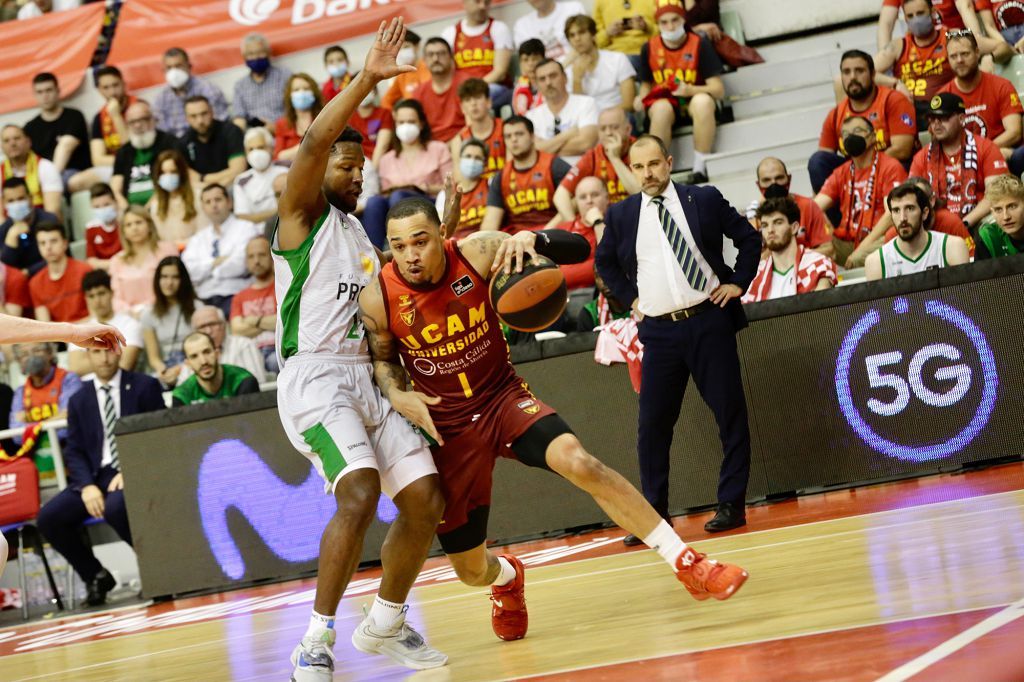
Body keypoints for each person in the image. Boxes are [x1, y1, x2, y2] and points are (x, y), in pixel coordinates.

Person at [360, 194, 749, 643]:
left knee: (580, 461)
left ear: (441, 236)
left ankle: (689, 563)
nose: (410, 254)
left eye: (420, 242)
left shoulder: (479, 252)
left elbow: (582, 252)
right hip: (447, 427)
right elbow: (384, 359)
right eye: (399, 245)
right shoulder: (379, 298)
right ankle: (507, 579)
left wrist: (534, 237)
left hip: (501, 397)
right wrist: (395, 391)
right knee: (470, 571)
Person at [273, 18, 452, 677]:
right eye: (348, 167)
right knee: (359, 495)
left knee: (427, 500)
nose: (357, 177)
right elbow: (318, 137)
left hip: (367, 378)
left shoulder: (356, 236)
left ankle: (384, 622)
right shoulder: (300, 214)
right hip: (315, 380)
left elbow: (388, 302)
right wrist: (368, 78)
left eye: (361, 169)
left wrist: (445, 230)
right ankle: (315, 642)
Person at [594, 134, 762, 538]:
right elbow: (604, 264)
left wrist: (738, 282)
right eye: (639, 167)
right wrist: (631, 298)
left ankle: (731, 503)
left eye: (654, 164)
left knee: (729, 414)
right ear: (631, 171)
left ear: (669, 163)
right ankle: (654, 517)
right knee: (652, 427)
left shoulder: (702, 199)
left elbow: (749, 238)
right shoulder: (621, 216)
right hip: (659, 333)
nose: (648, 173)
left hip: (709, 320)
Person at [35, 347, 164, 606]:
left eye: (108, 352)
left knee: (116, 508)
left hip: (132, 470)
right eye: (96, 352)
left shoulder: (144, 386)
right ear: (88, 357)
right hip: (94, 475)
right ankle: (95, 576)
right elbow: (75, 450)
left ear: (118, 353)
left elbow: (157, 433)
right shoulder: (79, 399)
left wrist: (131, 468)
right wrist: (87, 486)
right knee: (49, 518)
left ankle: (158, 571)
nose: (104, 358)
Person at [873, 1, 1009, 124]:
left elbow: (1003, 47)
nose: (916, 20)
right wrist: (895, 83)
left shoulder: (953, 36)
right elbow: (868, 72)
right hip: (913, 113)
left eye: (920, 13)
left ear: (933, 13)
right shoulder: (898, 46)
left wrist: (989, 57)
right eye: (910, 16)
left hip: (948, 110)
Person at [635, 0, 725, 182]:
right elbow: (645, 85)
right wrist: (640, 98)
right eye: (664, 22)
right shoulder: (648, 48)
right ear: (657, 24)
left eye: (675, 20)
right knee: (661, 108)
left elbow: (718, 90)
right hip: (664, 104)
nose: (670, 26)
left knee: (703, 101)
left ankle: (700, 166)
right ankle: (658, 172)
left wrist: (690, 89)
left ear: (684, 18)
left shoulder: (699, 43)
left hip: (691, 102)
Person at [809, 50, 916, 195]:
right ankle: (837, 217)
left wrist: (863, 169)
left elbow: (902, 150)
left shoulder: (893, 100)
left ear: (872, 75)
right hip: (852, 175)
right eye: (846, 72)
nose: (852, 77)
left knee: (900, 165)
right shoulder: (835, 114)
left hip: (888, 170)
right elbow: (822, 160)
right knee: (818, 161)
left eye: (859, 71)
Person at [815, 116, 908, 267]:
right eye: (845, 134)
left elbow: (892, 214)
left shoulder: (890, 166)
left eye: (857, 131)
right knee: (809, 248)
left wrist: (863, 248)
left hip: (880, 238)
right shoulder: (842, 171)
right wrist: (825, 225)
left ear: (872, 137)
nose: (850, 137)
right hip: (847, 241)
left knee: (859, 258)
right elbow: (813, 207)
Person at [909, 92, 1008, 230]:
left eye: (943, 118)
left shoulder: (986, 148)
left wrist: (963, 224)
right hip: (935, 227)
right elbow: (911, 198)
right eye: (932, 119)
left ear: (961, 118)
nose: (936, 124)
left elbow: (996, 194)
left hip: (976, 223)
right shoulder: (922, 156)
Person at [363, 99, 453, 248]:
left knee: (399, 197)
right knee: (374, 202)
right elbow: (384, 192)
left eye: (411, 121)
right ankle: (373, 256)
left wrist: (426, 188)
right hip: (393, 206)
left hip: (429, 204)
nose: (406, 126)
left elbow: (451, 187)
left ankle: (407, 246)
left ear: (421, 124)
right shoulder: (387, 159)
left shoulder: (438, 149)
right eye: (401, 122)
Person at [939, 30, 1024, 174]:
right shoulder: (942, 97)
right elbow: (942, 143)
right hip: (963, 164)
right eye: (953, 56)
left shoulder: (1001, 85)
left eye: (965, 54)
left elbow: (1014, 133)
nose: (959, 60)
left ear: (977, 53)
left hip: (1004, 155)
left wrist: (985, 152)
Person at [480, 115, 571, 232]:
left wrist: (545, 231)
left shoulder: (554, 165)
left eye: (519, 134)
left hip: (553, 235)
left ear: (532, 137)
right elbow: (490, 222)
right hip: (515, 241)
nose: (513, 140)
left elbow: (574, 203)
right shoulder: (500, 177)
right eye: (508, 136)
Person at [181, 184, 260, 316]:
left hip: (235, 294)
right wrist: (215, 263)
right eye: (208, 202)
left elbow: (241, 265)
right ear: (203, 208)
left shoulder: (246, 228)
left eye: (218, 200)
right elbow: (188, 272)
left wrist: (206, 270)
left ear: (229, 203)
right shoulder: (198, 239)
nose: (214, 205)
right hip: (202, 299)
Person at [865, 182, 971, 279]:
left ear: (925, 213)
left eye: (910, 208)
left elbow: (964, 296)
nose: (902, 218)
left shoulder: (953, 247)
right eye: (896, 210)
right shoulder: (876, 262)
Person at [742, 197, 837, 303]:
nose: (770, 230)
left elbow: (819, 311)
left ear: (794, 228)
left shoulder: (819, 264)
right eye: (765, 225)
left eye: (778, 222)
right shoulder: (755, 276)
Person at [555, 106, 640, 220]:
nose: (608, 133)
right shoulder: (593, 155)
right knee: (575, 202)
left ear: (628, 129)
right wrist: (574, 226)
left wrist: (614, 158)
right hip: (602, 219)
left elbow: (641, 194)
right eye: (603, 129)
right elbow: (560, 195)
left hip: (635, 216)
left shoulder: (640, 149)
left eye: (614, 127)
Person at [746, 157, 834, 258]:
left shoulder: (808, 205)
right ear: (758, 184)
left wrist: (794, 258)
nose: (773, 184)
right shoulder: (754, 214)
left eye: (779, 178)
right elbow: (751, 261)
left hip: (806, 270)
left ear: (788, 178)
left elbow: (829, 251)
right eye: (767, 180)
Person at [67, 270, 144, 375]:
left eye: (101, 293)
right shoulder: (80, 329)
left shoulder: (130, 324)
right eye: (91, 296)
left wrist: (90, 359)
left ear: (112, 293)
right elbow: (75, 368)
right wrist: (113, 357)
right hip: (88, 387)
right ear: (86, 299)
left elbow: (125, 364)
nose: (97, 300)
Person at [111, 101, 184, 209]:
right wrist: (125, 207)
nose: (137, 125)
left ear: (152, 120)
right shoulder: (124, 151)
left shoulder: (170, 143)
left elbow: (177, 178)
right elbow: (116, 184)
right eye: (132, 122)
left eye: (142, 119)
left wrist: (148, 208)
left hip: (163, 203)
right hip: (132, 211)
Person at [23, 72, 91, 188]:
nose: (45, 96)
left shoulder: (74, 116)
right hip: (43, 178)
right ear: (35, 95)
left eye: (49, 90)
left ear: (58, 91)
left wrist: (50, 182)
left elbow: (66, 147)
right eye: (40, 92)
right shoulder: (30, 127)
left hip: (74, 173)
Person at [442, 0, 514, 108]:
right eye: (478, 1)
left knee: (476, 101)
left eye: (487, 2)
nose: (482, 6)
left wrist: (473, 90)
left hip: (491, 87)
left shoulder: (498, 28)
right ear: (464, 3)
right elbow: (447, 74)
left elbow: (500, 72)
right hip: (462, 90)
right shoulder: (451, 33)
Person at [526, 59, 599, 166]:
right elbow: (531, 152)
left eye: (553, 76)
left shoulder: (586, 103)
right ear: (536, 84)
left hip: (583, 170)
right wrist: (569, 134)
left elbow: (586, 143)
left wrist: (545, 146)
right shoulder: (531, 116)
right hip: (546, 175)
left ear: (565, 78)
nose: (548, 83)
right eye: (542, 79)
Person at [141, 256, 200, 388]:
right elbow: (153, 357)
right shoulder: (148, 314)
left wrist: (180, 369)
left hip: (193, 365)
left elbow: (202, 347)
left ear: (183, 280)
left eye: (175, 277)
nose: (169, 282)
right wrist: (163, 370)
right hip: (166, 368)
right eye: (164, 277)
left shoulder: (197, 308)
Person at [108, 206, 179, 315]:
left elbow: (178, 283)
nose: (134, 228)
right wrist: (132, 312)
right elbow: (116, 299)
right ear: (123, 231)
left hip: (165, 310)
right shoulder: (116, 261)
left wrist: (148, 310)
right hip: (131, 317)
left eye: (138, 222)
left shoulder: (167, 249)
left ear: (149, 225)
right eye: (128, 225)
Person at [563, 15, 637, 115]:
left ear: (593, 35)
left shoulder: (617, 59)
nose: (577, 39)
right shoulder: (569, 70)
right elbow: (576, 111)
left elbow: (629, 104)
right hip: (587, 122)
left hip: (618, 116)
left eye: (582, 32)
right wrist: (577, 79)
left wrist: (600, 116)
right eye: (572, 35)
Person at [881, 175, 974, 253]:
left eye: (921, 199)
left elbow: (971, 259)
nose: (903, 218)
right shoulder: (894, 234)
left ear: (932, 200)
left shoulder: (951, 223)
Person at [177, 305, 267, 384]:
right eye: (202, 327)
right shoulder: (192, 353)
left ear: (224, 325)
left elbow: (258, 382)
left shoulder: (244, 344)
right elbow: (182, 389)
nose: (208, 331)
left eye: (212, 324)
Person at [153, 47, 230, 138]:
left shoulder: (208, 90)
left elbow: (221, 123)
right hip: (177, 146)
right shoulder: (161, 99)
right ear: (164, 71)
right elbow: (161, 131)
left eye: (178, 66)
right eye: (169, 68)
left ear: (189, 66)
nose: (174, 72)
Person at [170, 332, 259, 405]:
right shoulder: (182, 395)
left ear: (217, 354)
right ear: (188, 364)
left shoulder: (243, 381)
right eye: (194, 356)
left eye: (207, 352)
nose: (203, 361)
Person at [229, 236, 277, 373]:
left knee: (275, 361)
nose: (256, 261)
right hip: (249, 352)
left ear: (271, 256)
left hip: (278, 349)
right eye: (251, 257)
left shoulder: (283, 287)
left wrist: (253, 320)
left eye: (261, 255)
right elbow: (237, 331)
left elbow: (284, 322)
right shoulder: (239, 297)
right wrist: (268, 322)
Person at [83, 66, 133, 190]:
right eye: (106, 88)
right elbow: (97, 159)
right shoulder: (99, 117)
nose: (112, 92)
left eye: (115, 85)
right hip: (114, 165)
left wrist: (116, 116)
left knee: (119, 182)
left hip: (139, 164)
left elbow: (131, 151)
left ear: (123, 84)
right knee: (75, 182)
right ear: (99, 90)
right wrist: (121, 161)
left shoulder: (137, 108)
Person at [30, 222, 92, 322]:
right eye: (42, 243)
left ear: (65, 243)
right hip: (58, 336)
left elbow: (96, 315)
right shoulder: (35, 283)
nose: (48, 247)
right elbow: (45, 325)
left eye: (53, 241)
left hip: (88, 331)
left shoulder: (85, 271)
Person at [1, 124, 63, 219]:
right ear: (2, 146)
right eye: (6, 140)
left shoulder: (46, 167)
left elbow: (52, 211)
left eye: (17, 138)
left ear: (28, 142)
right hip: (10, 228)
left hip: (43, 226)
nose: (12, 143)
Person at [182, 96, 246, 187]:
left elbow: (238, 169)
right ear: (186, 118)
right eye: (193, 116)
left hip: (235, 185)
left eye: (204, 114)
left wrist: (202, 178)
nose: (200, 120)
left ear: (212, 112)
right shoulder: (183, 142)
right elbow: (189, 177)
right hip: (203, 192)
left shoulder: (231, 131)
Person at [413, 38, 469, 143]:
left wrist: (451, 145)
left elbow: (474, 123)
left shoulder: (467, 83)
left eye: (441, 53)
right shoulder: (418, 92)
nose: (435, 58)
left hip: (464, 142)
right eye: (430, 54)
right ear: (424, 60)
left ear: (451, 57)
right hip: (432, 148)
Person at [553, 175, 605, 289]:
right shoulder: (564, 229)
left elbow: (608, 260)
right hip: (563, 295)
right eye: (582, 197)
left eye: (595, 195)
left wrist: (598, 222)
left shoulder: (614, 224)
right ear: (576, 202)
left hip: (598, 294)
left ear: (607, 198)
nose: (589, 201)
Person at [232, 33, 292, 130]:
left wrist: (277, 128)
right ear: (244, 57)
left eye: (260, 52)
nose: (256, 57)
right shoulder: (240, 86)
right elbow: (239, 117)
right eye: (251, 54)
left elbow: (294, 111)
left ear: (269, 53)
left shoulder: (285, 76)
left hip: (283, 132)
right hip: (255, 137)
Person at [1, 177, 59, 274]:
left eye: (21, 199)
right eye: (11, 201)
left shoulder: (49, 220)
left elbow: (59, 255)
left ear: (30, 198)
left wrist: (28, 272)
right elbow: (4, 270)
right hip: (19, 283)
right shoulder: (4, 230)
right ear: (4, 203)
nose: (16, 204)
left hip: (48, 275)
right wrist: (11, 238)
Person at [233, 127, 288, 228]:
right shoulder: (241, 181)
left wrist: (258, 216)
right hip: (258, 233)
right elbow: (243, 217)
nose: (256, 153)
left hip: (287, 225)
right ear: (246, 152)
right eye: (251, 149)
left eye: (260, 147)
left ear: (271, 148)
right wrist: (276, 212)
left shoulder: (287, 169)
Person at [452, 78, 505, 180]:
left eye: (478, 97)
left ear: (489, 102)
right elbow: (459, 179)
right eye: (468, 100)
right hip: (476, 193)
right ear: (462, 108)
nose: (473, 104)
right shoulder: (459, 141)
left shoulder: (505, 129)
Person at [436, 138, 490, 238]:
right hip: (454, 245)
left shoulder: (491, 186)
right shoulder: (445, 194)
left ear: (485, 163)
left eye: (477, 158)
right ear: (460, 159)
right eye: (468, 156)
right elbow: (442, 230)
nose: (472, 161)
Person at [878, 0, 983, 51]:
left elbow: (966, 7)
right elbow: (885, 24)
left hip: (954, 42)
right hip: (917, 47)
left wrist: (976, 41)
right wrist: (884, 54)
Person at [149, 148, 202, 246]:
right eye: (163, 173)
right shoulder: (156, 205)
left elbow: (204, 233)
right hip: (170, 255)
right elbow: (158, 240)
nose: (168, 176)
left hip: (196, 251)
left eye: (173, 172)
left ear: (181, 173)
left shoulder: (198, 196)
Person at [593, 0, 655, 72]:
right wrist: (608, 33)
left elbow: (665, 31)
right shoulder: (601, 2)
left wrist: (646, 27)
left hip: (645, 52)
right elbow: (594, 42)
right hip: (614, 55)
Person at [275, 73, 324, 162]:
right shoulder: (282, 123)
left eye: (306, 89)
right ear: (289, 95)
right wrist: (306, 147)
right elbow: (279, 156)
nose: (301, 93)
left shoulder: (324, 118)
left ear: (314, 92)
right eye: (296, 90)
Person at [513, 0, 587, 58]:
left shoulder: (574, 9)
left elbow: (586, 47)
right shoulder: (522, 25)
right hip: (544, 76)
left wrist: (561, 69)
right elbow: (527, 63)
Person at [381, 29, 430, 110]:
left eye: (406, 47)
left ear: (417, 46)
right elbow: (386, 101)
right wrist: (396, 115)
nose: (402, 52)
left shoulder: (429, 67)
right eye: (399, 49)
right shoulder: (402, 75)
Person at [978, 174, 1024, 258]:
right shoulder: (989, 236)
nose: (1006, 217)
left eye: (1012, 206)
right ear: (992, 211)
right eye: (998, 209)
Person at [349, 84, 394, 168]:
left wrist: (372, 171)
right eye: (359, 90)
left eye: (368, 89)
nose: (364, 93)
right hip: (359, 165)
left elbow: (382, 146)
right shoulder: (348, 118)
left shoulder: (384, 113)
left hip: (382, 164)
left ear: (375, 92)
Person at [84, 183, 123, 270]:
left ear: (115, 202)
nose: (102, 210)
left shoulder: (126, 224)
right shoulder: (91, 228)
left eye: (106, 205)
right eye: (97, 207)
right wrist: (115, 264)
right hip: (104, 272)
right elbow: (91, 261)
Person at [512, 39, 546, 115]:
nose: (530, 64)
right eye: (525, 60)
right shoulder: (519, 86)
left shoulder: (550, 82)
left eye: (534, 59)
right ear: (520, 64)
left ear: (544, 60)